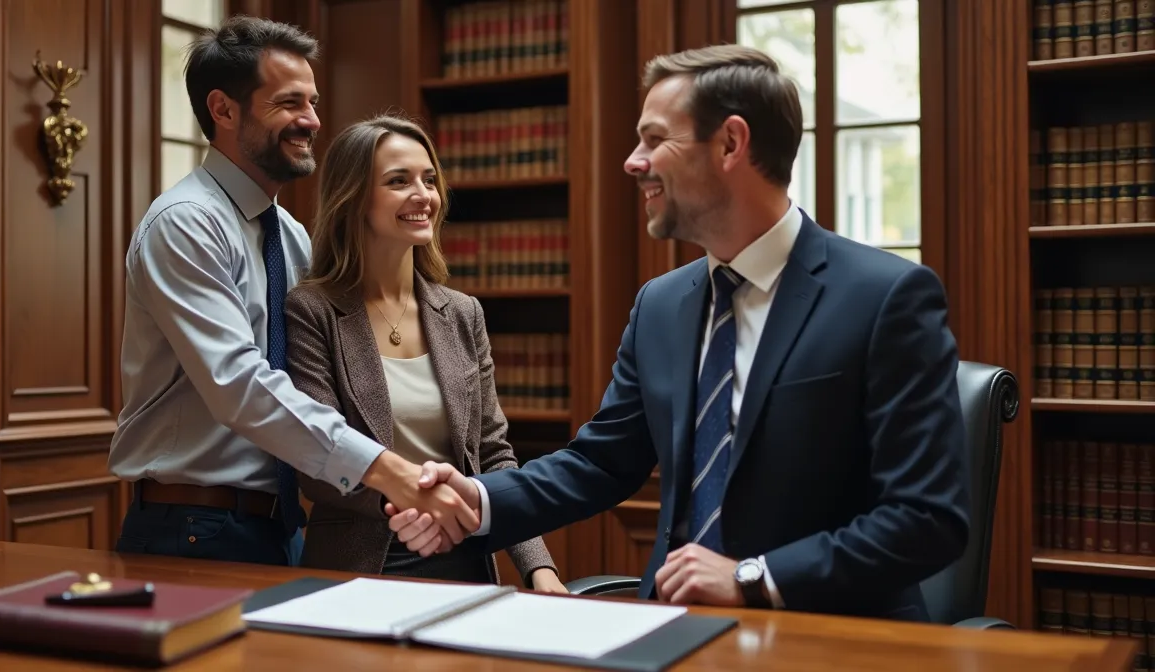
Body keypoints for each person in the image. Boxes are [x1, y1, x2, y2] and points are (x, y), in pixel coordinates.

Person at [386, 44, 971, 621]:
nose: (632, 161)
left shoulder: (887, 297)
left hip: (835, 642)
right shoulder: (661, 305)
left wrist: (752, 578)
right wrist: (478, 499)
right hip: (673, 630)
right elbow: (601, 463)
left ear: (730, 143)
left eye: (655, 139)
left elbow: (927, 519)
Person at [108, 16, 477, 567]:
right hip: (190, 527)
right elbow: (239, 384)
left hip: (280, 527)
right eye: (289, 103)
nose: (312, 120)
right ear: (224, 110)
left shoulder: (291, 236)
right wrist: (390, 472)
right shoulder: (185, 223)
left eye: (312, 101)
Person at [283, 115, 567, 592]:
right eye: (399, 181)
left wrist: (540, 568)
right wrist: (418, 503)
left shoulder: (462, 313)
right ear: (354, 198)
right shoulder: (312, 310)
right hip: (357, 570)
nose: (424, 196)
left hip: (465, 561)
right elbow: (317, 462)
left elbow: (494, 454)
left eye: (429, 180)